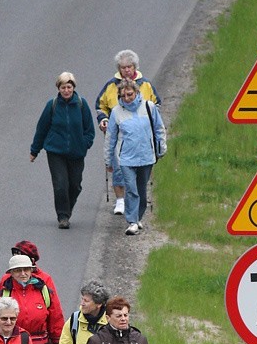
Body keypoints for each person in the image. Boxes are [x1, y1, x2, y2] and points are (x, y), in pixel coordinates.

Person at [95, 49, 161, 215]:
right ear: (119, 68)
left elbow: (156, 104)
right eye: (123, 67)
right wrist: (104, 119)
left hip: (142, 134)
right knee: (118, 166)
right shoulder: (111, 85)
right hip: (119, 131)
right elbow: (100, 105)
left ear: (135, 67)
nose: (126, 70)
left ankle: (137, 202)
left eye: (129, 67)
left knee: (140, 171)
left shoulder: (145, 84)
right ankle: (120, 200)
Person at [30, 72, 95, 229]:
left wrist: (84, 143)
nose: (66, 90)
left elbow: (89, 130)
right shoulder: (52, 105)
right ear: (58, 89)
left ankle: (67, 209)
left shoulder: (81, 104)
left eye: (69, 87)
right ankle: (63, 216)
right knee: (60, 185)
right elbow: (42, 129)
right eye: (63, 87)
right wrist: (35, 150)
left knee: (75, 185)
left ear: (73, 88)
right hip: (55, 152)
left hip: (76, 153)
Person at [105, 79, 166, 235]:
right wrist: (108, 159)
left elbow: (159, 129)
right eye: (123, 95)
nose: (127, 98)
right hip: (126, 158)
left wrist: (161, 148)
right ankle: (132, 221)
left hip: (146, 156)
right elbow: (110, 137)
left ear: (137, 92)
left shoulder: (149, 107)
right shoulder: (116, 112)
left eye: (130, 94)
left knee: (141, 190)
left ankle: (138, 217)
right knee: (131, 190)